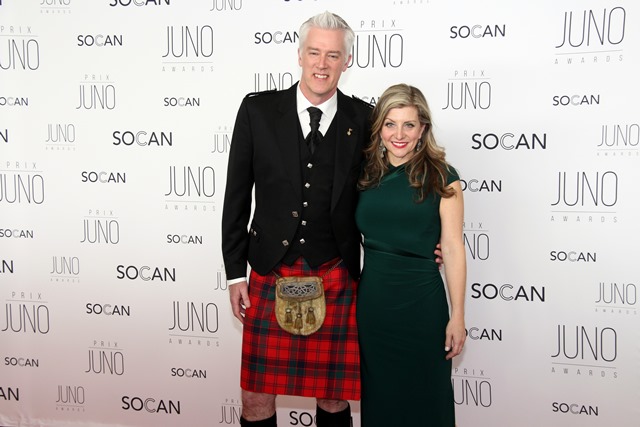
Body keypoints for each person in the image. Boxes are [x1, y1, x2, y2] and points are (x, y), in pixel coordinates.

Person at [221, 11, 372, 427]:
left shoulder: (365, 119)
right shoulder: (258, 111)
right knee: (254, 400)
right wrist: (235, 274)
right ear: (300, 55)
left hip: (336, 270)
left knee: (334, 401)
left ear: (348, 61)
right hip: (271, 267)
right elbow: (237, 195)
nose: (322, 64)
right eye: (314, 52)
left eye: (333, 55)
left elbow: (384, 195)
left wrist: (420, 241)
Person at [355, 83, 467, 426]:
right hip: (374, 308)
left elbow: (452, 247)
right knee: (381, 401)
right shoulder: (363, 174)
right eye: (390, 124)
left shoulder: (442, 177)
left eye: (409, 125)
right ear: (380, 128)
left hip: (422, 308)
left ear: (423, 130)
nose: (399, 134)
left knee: (427, 401)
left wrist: (458, 315)